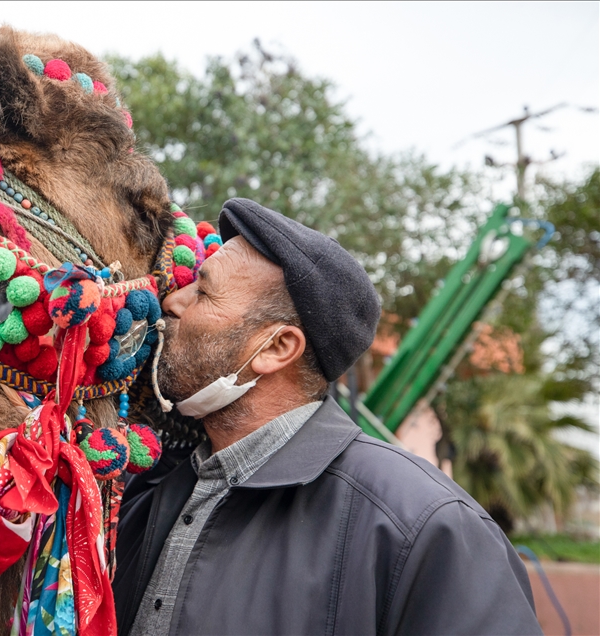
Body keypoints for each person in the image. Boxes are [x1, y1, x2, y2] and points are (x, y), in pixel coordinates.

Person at [112, 198, 541, 635]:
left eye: (202, 292)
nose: (174, 301)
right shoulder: (153, 482)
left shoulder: (424, 525)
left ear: (277, 349)